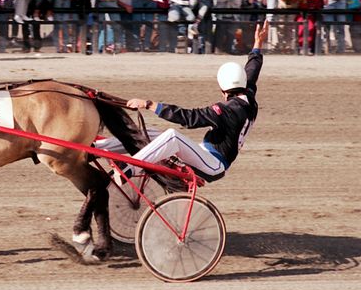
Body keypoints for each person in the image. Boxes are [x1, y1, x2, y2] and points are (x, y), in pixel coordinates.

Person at [102, 20, 268, 185]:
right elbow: (252, 70)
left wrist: (149, 104)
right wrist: (257, 45)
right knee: (151, 133)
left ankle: (129, 169)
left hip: (213, 164)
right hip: (205, 155)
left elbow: (189, 118)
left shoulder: (227, 110)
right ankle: (101, 147)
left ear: (223, 90)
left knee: (172, 136)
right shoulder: (249, 96)